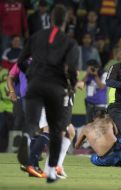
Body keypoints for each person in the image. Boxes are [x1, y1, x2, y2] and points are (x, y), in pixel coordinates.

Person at [17, 5, 79, 183]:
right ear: (65, 21)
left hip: (34, 84)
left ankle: (27, 138)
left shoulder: (36, 37)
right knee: (54, 129)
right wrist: (72, 84)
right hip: (54, 87)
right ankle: (37, 164)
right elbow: (72, 70)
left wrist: (31, 74)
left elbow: (20, 62)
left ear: (50, 19)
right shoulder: (69, 43)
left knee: (33, 123)